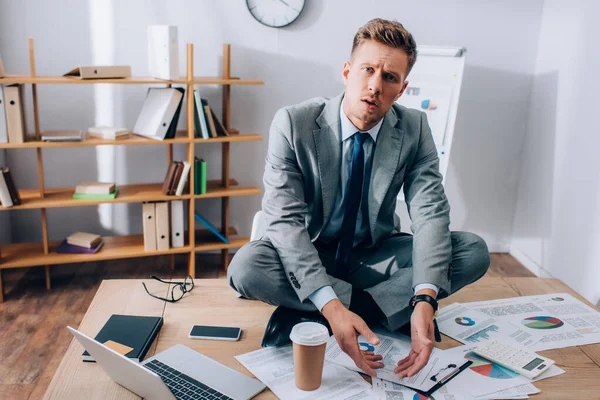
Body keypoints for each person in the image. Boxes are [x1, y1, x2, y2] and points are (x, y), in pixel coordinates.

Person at [227, 18, 490, 379]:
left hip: (374, 255)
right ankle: (366, 307)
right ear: (347, 71)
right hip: (312, 249)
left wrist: (425, 300)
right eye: (368, 69)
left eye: (390, 78)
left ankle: (329, 305)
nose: (375, 85)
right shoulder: (293, 123)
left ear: (402, 89)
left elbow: (429, 214)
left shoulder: (414, 129)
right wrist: (333, 308)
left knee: (472, 250)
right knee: (246, 267)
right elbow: (284, 221)